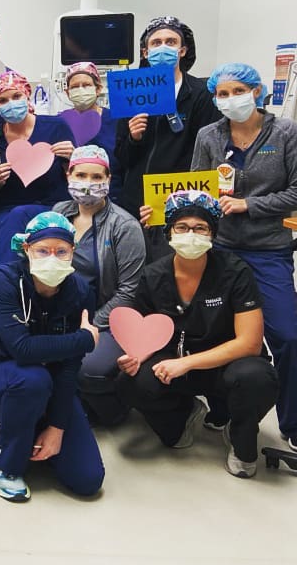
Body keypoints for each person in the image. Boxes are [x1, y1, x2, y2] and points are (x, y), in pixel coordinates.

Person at [115, 191, 279, 478]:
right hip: (173, 364)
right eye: (182, 227)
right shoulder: (153, 276)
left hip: (226, 364)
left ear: (212, 233)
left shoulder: (235, 272)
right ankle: (183, 417)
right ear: (169, 232)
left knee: (257, 377)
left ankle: (239, 436)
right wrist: (133, 358)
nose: (191, 234)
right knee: (130, 381)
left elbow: (250, 343)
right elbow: (141, 332)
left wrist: (187, 363)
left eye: (200, 228)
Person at [191, 62, 297, 451]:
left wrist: (247, 205)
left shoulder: (285, 132)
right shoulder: (209, 135)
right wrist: (169, 210)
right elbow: (197, 190)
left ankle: (292, 421)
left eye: (237, 90)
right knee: (216, 333)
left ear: (257, 91)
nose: (229, 99)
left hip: (269, 249)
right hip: (218, 249)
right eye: (221, 93)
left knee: (287, 336)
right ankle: (221, 406)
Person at [0, 212, 103, 502]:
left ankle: (34, 430)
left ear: (72, 253)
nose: (52, 258)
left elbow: (70, 365)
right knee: (33, 378)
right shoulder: (4, 281)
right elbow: (22, 349)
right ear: (26, 249)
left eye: (61, 251)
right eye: (43, 250)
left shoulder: (81, 291)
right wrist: (82, 339)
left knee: (88, 480)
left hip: (54, 385)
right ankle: (8, 464)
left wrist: (57, 427)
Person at [51, 145, 145, 425]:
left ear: (108, 179)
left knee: (86, 369)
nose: (88, 184)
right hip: (61, 313)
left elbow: (129, 292)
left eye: (96, 177)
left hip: (106, 320)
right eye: (81, 175)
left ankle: (113, 410)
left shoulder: (124, 226)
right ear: (68, 176)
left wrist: (90, 323)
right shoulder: (59, 213)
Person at [115, 15, 220, 260]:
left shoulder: (200, 95)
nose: (163, 47)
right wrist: (134, 137)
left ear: (182, 50)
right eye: (156, 42)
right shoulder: (132, 91)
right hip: (135, 200)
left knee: (172, 269)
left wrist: (174, 202)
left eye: (171, 42)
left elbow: (206, 153)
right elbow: (121, 157)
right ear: (145, 51)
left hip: (179, 199)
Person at [0, 70, 75, 267]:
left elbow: (78, 175)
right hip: (4, 211)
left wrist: (73, 157)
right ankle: (9, 284)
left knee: (19, 215)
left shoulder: (56, 127)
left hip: (51, 206)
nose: (11, 104)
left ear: (27, 94)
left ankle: (3, 284)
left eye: (16, 96)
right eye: (3, 100)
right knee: (14, 219)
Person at [63, 62, 123, 202]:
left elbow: (124, 158)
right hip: (74, 198)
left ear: (98, 89)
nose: (81, 90)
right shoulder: (61, 122)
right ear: (67, 93)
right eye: (75, 87)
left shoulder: (117, 120)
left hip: (112, 195)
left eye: (86, 85)